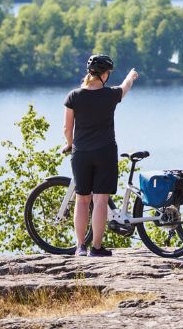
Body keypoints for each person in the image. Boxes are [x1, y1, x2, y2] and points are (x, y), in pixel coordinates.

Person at [63, 54, 139, 257]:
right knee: (100, 201)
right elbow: (125, 87)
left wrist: (70, 144)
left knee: (82, 200)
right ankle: (96, 248)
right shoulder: (110, 95)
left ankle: (80, 247)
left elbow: (67, 127)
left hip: (81, 154)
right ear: (104, 75)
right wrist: (131, 76)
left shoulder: (74, 96)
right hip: (105, 152)